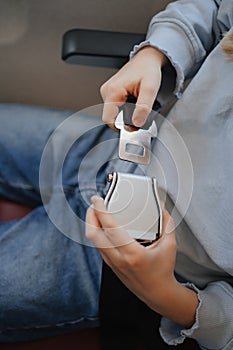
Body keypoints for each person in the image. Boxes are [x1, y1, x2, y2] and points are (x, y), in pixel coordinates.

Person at [0, 1, 232, 350]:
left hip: (130, 256)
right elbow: (214, 8)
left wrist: (167, 296)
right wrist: (155, 53)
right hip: (114, 153)